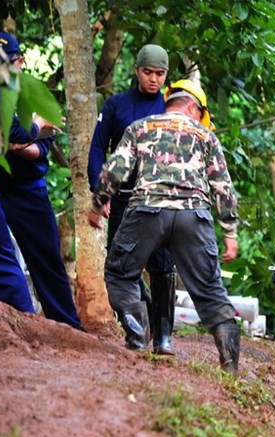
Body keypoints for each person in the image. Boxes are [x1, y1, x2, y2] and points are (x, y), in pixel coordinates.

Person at [87, 79, 241, 372]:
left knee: (120, 273)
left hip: (147, 211)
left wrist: (97, 205)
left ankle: (137, 340)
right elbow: (223, 187)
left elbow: (114, 171)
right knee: (210, 287)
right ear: (193, 107)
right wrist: (230, 233)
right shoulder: (206, 136)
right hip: (193, 217)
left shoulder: (140, 128)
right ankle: (230, 364)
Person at [87, 43, 177, 354]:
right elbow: (98, 149)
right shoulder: (116, 106)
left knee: (163, 266)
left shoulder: (171, 108)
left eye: (160, 73)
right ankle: (137, 325)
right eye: (148, 72)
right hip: (124, 198)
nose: (154, 79)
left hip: (162, 200)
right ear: (137, 70)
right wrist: (100, 190)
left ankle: (164, 338)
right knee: (120, 264)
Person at [0, 31, 83, 330]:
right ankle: (11, 322)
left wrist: (16, 137)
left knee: (46, 261)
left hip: (27, 190)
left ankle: (67, 326)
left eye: (7, 62)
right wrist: (31, 129)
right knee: (3, 260)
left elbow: (33, 150)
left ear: (21, 61)